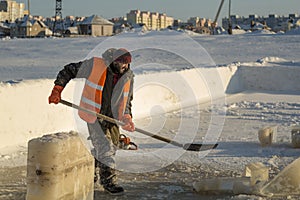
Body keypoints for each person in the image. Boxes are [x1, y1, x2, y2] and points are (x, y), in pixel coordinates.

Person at [48, 48, 135, 194]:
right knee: (106, 148)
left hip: (112, 118)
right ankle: (108, 182)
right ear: (114, 60)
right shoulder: (95, 65)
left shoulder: (129, 77)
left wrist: (127, 117)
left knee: (111, 146)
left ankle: (91, 170)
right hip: (94, 114)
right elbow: (69, 70)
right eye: (120, 62)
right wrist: (57, 89)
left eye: (126, 63)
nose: (123, 66)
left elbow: (127, 101)